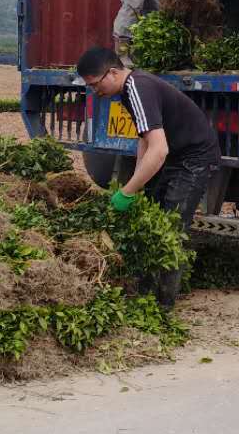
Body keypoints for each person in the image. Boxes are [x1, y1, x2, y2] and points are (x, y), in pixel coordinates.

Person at [76, 46, 220, 310]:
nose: (94, 91)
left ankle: (162, 307)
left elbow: (159, 149)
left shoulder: (138, 88)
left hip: (194, 157)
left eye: (95, 84)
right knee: (150, 215)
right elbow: (145, 139)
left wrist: (127, 191)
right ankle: (144, 292)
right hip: (176, 154)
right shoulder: (127, 91)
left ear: (112, 73)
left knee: (170, 228)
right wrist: (139, 184)